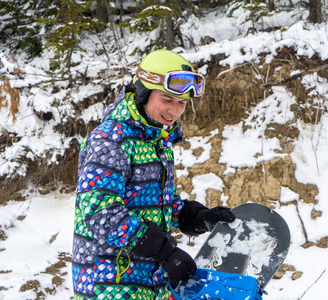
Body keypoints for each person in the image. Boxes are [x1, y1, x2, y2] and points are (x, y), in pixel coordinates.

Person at [72, 49, 235, 300]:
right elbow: (100, 212)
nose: (175, 110)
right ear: (143, 93)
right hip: (110, 284)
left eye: (182, 103)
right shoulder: (109, 141)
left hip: (148, 282)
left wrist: (195, 217)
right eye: (167, 99)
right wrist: (165, 251)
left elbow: (156, 204)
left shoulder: (156, 141)